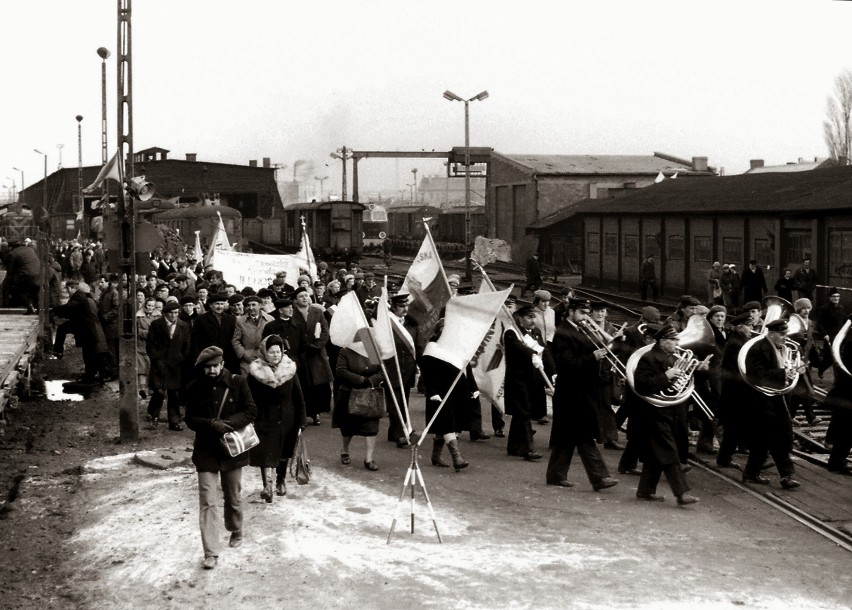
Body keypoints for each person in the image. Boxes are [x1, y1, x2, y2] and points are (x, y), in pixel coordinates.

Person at [184, 346, 257, 570]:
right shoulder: (194, 387)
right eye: (208, 367)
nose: (212, 371)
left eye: (216, 366)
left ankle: (236, 528)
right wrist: (209, 425)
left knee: (232, 494)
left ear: (223, 363)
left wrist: (228, 425)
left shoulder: (238, 382)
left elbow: (251, 411)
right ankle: (211, 552)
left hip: (232, 449)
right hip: (206, 450)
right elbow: (190, 419)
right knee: (207, 501)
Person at [626, 323, 703, 505]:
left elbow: (683, 383)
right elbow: (642, 386)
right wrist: (667, 376)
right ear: (663, 341)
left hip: (671, 412)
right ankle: (681, 493)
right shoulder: (648, 358)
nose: (677, 343)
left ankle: (645, 491)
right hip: (653, 413)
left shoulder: (672, 357)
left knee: (656, 455)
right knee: (669, 454)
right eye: (673, 340)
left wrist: (699, 371)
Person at [547, 298, 619, 491]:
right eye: (582, 313)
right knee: (584, 435)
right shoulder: (562, 333)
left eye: (587, 313)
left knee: (566, 438)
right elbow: (565, 364)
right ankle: (599, 477)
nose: (586, 317)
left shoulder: (580, 329)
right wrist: (592, 357)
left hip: (584, 390)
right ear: (570, 311)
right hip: (572, 392)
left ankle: (555, 475)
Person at [740, 319, 802, 489]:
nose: (785, 337)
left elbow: (786, 370)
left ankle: (751, 473)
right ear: (771, 333)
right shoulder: (758, 349)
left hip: (777, 398)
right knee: (777, 437)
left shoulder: (783, 348)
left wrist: (795, 370)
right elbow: (755, 374)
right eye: (782, 334)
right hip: (762, 399)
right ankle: (786, 476)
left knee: (763, 439)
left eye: (786, 334)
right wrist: (783, 373)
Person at [247, 335, 305, 502]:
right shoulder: (255, 372)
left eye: (278, 351)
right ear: (265, 352)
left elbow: (298, 396)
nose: (275, 355)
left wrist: (301, 420)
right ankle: (267, 486)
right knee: (265, 452)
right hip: (264, 418)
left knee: (283, 451)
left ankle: (280, 481)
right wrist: (249, 417)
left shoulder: (289, 369)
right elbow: (248, 397)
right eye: (272, 352)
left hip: (287, 417)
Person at [419, 321, 476, 471]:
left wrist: (473, 387)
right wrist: (431, 392)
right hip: (439, 392)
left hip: (458, 391)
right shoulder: (432, 348)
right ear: (438, 331)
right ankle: (457, 457)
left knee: (450, 425)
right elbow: (426, 373)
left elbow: (466, 368)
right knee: (446, 422)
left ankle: (436, 455)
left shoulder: (459, 347)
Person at [503, 304, 554, 461]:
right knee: (524, 412)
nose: (533, 320)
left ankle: (513, 447)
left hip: (532, 378)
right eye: (529, 317)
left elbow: (545, 352)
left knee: (522, 412)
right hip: (518, 378)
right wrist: (532, 354)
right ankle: (527, 449)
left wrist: (554, 371)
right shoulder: (511, 333)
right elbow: (520, 348)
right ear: (520, 318)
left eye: (534, 317)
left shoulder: (536, 333)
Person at [333, 345, 384, 471]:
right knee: (347, 427)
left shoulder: (372, 350)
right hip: (349, 393)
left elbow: (382, 371)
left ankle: (369, 458)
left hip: (370, 393)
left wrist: (371, 381)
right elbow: (341, 371)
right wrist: (362, 380)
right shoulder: (346, 351)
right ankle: (345, 449)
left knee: (371, 426)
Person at [146, 300, 192, 430]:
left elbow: (187, 345)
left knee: (174, 393)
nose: (173, 315)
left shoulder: (184, 326)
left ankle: (174, 420)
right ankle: (153, 416)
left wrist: (182, 358)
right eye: (171, 313)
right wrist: (156, 358)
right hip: (159, 363)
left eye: (176, 313)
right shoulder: (156, 325)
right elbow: (150, 345)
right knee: (159, 392)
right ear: (165, 313)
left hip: (176, 364)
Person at [292, 286, 334, 426]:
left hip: (316, 353)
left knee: (317, 385)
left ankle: (315, 413)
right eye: (301, 296)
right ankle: (303, 414)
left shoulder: (316, 312)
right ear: (295, 300)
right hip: (300, 354)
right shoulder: (292, 313)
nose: (304, 298)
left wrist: (316, 346)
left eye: (306, 295)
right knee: (303, 385)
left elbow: (325, 331)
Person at [384, 293, 421, 449]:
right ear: (393, 307)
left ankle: (394, 432)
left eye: (406, 306)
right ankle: (401, 434)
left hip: (407, 369)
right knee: (394, 402)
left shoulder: (411, 324)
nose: (405, 309)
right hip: (392, 368)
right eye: (401, 306)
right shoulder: (387, 323)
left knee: (403, 401)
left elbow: (417, 346)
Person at [824, 315, 852, 475]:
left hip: (847, 392)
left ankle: (837, 460)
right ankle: (836, 461)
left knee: (845, 428)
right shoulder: (850, 343)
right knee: (846, 429)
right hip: (848, 392)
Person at [192, 292, 239, 374]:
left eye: (222, 304)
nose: (220, 306)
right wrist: (199, 356)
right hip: (209, 356)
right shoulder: (201, 319)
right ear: (210, 305)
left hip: (227, 357)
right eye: (217, 304)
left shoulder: (231, 319)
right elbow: (195, 340)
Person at [232, 295, 274, 375]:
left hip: (266, 358)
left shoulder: (270, 319)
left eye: (254, 305)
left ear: (260, 305)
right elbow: (235, 340)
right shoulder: (240, 322)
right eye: (248, 305)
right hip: (247, 360)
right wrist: (244, 354)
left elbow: (274, 340)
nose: (251, 308)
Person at [2, 240, 41, 312]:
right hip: (39, 274)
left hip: (26, 275)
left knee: (16, 288)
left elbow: (10, 272)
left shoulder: (12, 253)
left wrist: (6, 285)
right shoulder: (30, 249)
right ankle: (39, 307)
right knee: (36, 289)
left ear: (10, 247)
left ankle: (30, 306)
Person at [817, 287, 846, 376]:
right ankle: (821, 368)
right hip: (829, 336)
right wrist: (825, 334)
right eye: (834, 296)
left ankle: (837, 378)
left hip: (840, 337)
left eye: (838, 296)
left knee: (838, 358)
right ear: (829, 297)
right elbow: (819, 324)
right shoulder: (824, 308)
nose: (836, 298)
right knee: (829, 358)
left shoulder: (841, 308)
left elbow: (845, 320)